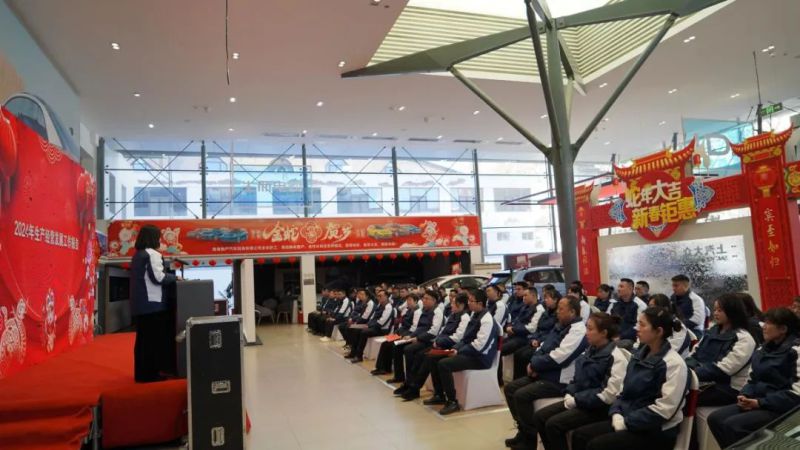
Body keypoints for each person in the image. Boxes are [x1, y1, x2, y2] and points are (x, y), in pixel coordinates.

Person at [572, 307, 689, 450]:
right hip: (629, 418)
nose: (637, 328)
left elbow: (664, 410)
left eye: (642, 325)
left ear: (658, 331)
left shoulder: (674, 364)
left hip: (655, 430)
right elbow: (622, 391)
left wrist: (627, 422)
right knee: (580, 435)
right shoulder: (638, 356)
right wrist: (616, 412)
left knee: (596, 445)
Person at [531, 313, 630, 450]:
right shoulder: (590, 350)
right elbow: (577, 378)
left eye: (590, 329)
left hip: (598, 407)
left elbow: (608, 394)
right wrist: (569, 392)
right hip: (582, 400)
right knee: (539, 417)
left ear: (603, 333)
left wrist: (577, 400)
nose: (586, 332)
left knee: (554, 425)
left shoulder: (616, 357)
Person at [707, 307, 800, 448]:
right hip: (759, 401)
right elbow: (752, 379)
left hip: (783, 408)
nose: (764, 327)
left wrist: (760, 403)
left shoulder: (796, 351)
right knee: (715, 418)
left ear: (783, 329)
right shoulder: (762, 350)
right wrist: (745, 395)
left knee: (733, 425)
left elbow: (796, 394)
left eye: (769, 323)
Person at [503, 296, 588, 448]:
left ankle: (530, 439)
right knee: (510, 389)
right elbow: (543, 347)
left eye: (561, 309)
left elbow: (560, 358)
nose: (557, 312)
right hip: (545, 372)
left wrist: (535, 365)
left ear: (573, 312)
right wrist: (534, 363)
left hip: (560, 379)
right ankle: (523, 431)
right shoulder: (560, 325)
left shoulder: (578, 330)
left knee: (521, 395)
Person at [430, 288, 499, 415]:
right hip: (470, 353)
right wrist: (455, 348)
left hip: (481, 358)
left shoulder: (487, 320)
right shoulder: (475, 315)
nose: (468, 303)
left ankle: (452, 401)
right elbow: (466, 338)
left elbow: (479, 346)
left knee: (444, 364)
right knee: (434, 358)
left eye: (471, 301)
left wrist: (459, 352)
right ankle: (439, 394)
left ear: (480, 303)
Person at [686, 293, 756, 407]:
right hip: (701, 379)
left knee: (683, 399)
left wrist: (691, 373)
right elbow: (694, 353)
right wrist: (686, 369)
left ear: (732, 311)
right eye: (715, 310)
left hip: (728, 387)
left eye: (720, 310)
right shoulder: (711, 332)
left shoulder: (744, 339)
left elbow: (724, 370)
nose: (715, 313)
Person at [130, 224, 179, 383]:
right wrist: (175, 278)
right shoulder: (152, 254)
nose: (160, 240)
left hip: (141, 304)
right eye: (158, 237)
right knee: (153, 341)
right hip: (153, 304)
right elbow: (159, 277)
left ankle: (142, 374)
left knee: (143, 341)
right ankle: (151, 375)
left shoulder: (138, 255)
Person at [399, 292, 470, 401]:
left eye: (453, 303)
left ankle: (417, 388)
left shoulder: (465, 318)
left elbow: (457, 337)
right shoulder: (453, 315)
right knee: (420, 355)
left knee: (428, 357)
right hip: (441, 344)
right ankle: (412, 385)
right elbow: (442, 331)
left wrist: (439, 342)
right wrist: (438, 341)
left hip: (451, 346)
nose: (451, 305)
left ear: (461, 305)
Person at [392, 291, 444, 392]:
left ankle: (410, 382)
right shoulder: (424, 310)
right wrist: (410, 336)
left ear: (434, 300)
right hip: (418, 337)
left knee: (409, 350)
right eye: (423, 298)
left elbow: (433, 332)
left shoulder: (437, 312)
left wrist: (418, 338)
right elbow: (419, 327)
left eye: (426, 299)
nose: (424, 300)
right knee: (397, 346)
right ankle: (401, 377)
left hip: (428, 341)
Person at [512, 288, 559, 380]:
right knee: (517, 354)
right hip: (535, 339)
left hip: (544, 343)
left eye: (547, 298)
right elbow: (538, 328)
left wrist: (539, 341)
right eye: (544, 298)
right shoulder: (545, 313)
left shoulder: (557, 315)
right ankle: (517, 380)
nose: (545, 300)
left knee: (524, 356)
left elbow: (552, 333)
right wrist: (533, 338)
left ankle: (526, 379)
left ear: (555, 300)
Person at [372, 294, 420, 377]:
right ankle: (381, 368)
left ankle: (394, 373)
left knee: (392, 345)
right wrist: (397, 333)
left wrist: (402, 335)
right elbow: (403, 325)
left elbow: (414, 328)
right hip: (401, 333)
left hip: (408, 336)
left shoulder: (417, 312)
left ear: (415, 301)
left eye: (410, 300)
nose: (408, 302)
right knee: (385, 342)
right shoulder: (408, 310)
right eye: (407, 300)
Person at [347, 290, 395, 363]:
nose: (379, 298)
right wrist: (368, 324)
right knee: (356, 329)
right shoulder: (379, 305)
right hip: (374, 326)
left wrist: (369, 326)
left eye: (380, 296)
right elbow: (372, 317)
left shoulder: (389, 307)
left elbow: (381, 322)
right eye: (378, 296)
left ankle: (359, 356)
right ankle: (353, 353)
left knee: (364, 332)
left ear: (386, 297)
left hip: (382, 329)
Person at [502, 287, 539, 356]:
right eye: (523, 296)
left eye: (525, 295)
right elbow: (518, 320)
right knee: (497, 346)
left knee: (502, 349)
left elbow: (531, 328)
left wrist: (513, 329)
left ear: (533, 296)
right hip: (516, 334)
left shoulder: (539, 309)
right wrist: (511, 327)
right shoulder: (525, 307)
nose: (523, 298)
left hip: (526, 337)